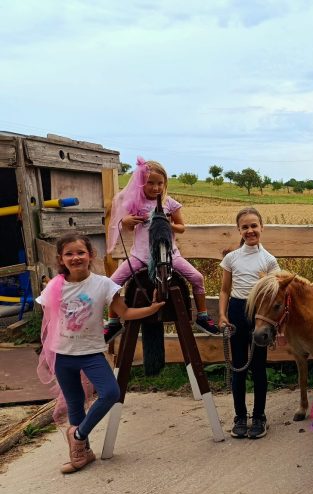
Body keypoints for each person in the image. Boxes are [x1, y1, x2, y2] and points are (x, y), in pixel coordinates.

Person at [37, 233, 165, 473]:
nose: (75, 258)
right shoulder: (54, 286)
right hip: (63, 356)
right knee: (75, 405)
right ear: (61, 259)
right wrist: (47, 355)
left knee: (110, 392)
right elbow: (49, 323)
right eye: (69, 254)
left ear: (90, 255)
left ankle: (78, 434)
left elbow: (125, 313)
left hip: (91, 353)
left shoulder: (103, 284)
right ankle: (82, 453)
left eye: (80, 252)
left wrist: (152, 309)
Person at [104, 157, 219, 342]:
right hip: (140, 256)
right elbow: (128, 227)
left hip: (169, 255)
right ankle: (113, 322)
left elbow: (181, 227)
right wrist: (126, 221)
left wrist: (166, 224)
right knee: (112, 283)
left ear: (165, 183)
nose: (155, 188)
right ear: (141, 182)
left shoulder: (169, 203)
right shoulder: (136, 203)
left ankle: (202, 316)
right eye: (150, 183)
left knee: (197, 278)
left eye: (160, 183)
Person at [218, 207, 279, 439]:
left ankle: (259, 416)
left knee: (258, 366)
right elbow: (225, 290)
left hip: (258, 315)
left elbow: (274, 294)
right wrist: (222, 315)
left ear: (262, 227)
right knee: (239, 366)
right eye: (245, 227)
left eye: (254, 226)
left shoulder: (269, 260)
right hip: (236, 311)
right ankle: (240, 416)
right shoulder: (231, 258)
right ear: (239, 230)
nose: (250, 230)